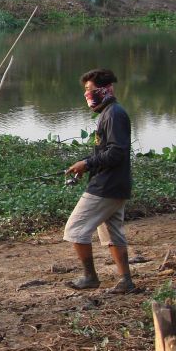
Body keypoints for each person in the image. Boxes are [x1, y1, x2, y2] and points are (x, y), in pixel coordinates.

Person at [62, 68, 136, 294]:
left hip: (106, 186)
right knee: (112, 233)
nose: (87, 94)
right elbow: (108, 151)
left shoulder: (113, 114)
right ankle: (126, 281)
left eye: (89, 89)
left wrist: (88, 164)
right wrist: (86, 162)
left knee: (75, 229)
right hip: (115, 184)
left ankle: (90, 277)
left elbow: (117, 153)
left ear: (104, 90)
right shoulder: (108, 113)